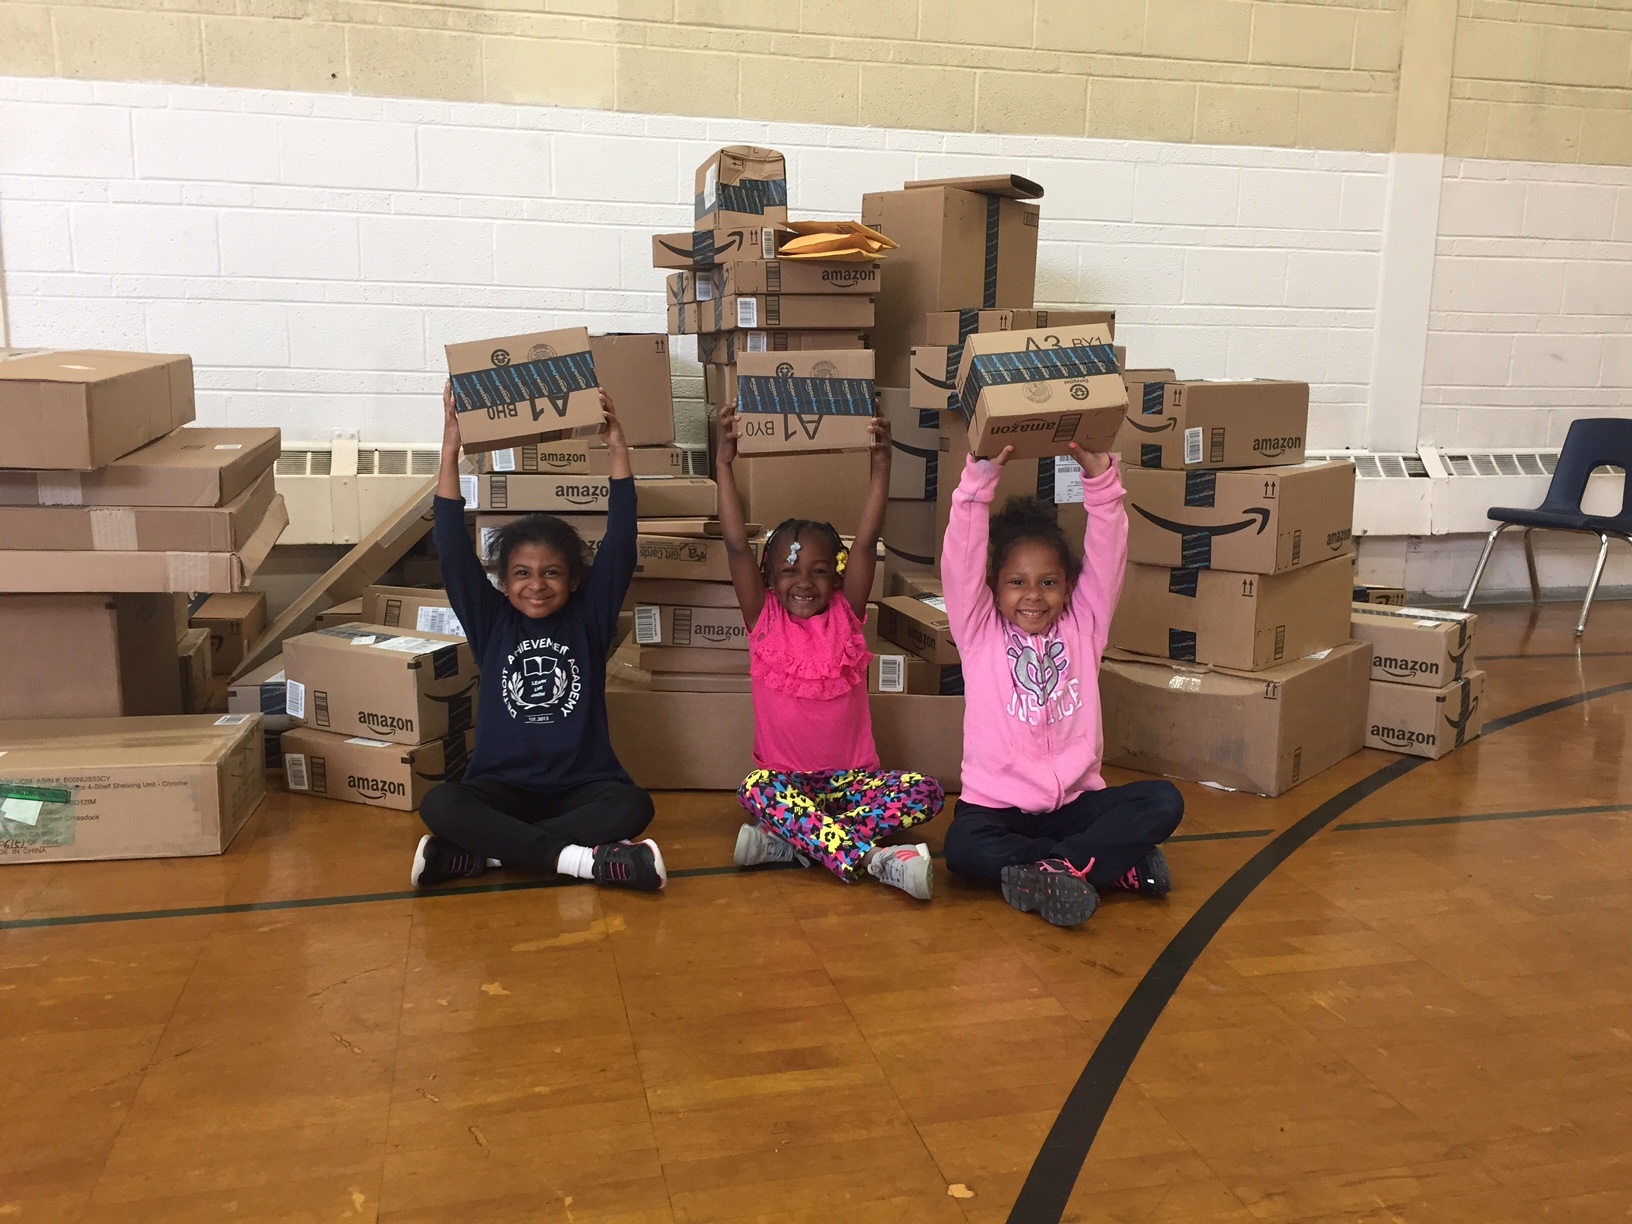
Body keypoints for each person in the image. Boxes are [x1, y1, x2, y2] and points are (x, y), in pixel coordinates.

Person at [409, 381, 664, 892]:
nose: (537, 584)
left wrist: (618, 449)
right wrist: (449, 448)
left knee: (634, 805)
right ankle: (584, 862)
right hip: (501, 787)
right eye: (522, 573)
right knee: (439, 802)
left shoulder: (589, 621)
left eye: (552, 573)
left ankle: (487, 855)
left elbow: (621, 538)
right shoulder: (492, 621)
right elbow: (452, 550)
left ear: (573, 582)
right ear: (503, 584)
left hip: (583, 788)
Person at [940, 442, 1183, 927]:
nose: (1033, 595)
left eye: (1048, 582)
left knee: (1163, 801)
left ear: (1070, 586)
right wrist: (978, 480)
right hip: (996, 809)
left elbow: (1108, 553)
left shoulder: (1085, 626)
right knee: (963, 850)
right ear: (992, 586)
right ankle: (1102, 865)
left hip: (1075, 803)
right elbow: (962, 555)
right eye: (1017, 583)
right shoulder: (978, 629)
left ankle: (1059, 868)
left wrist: (1101, 484)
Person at [714, 400, 944, 899]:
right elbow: (735, 545)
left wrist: (882, 466)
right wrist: (723, 465)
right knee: (754, 789)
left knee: (927, 791)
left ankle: (794, 846)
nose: (804, 582)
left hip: (853, 786)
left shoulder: (847, 615)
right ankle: (877, 859)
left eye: (819, 571)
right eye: (790, 572)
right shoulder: (764, 620)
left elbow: (865, 543)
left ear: (836, 576)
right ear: (768, 579)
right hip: (786, 787)